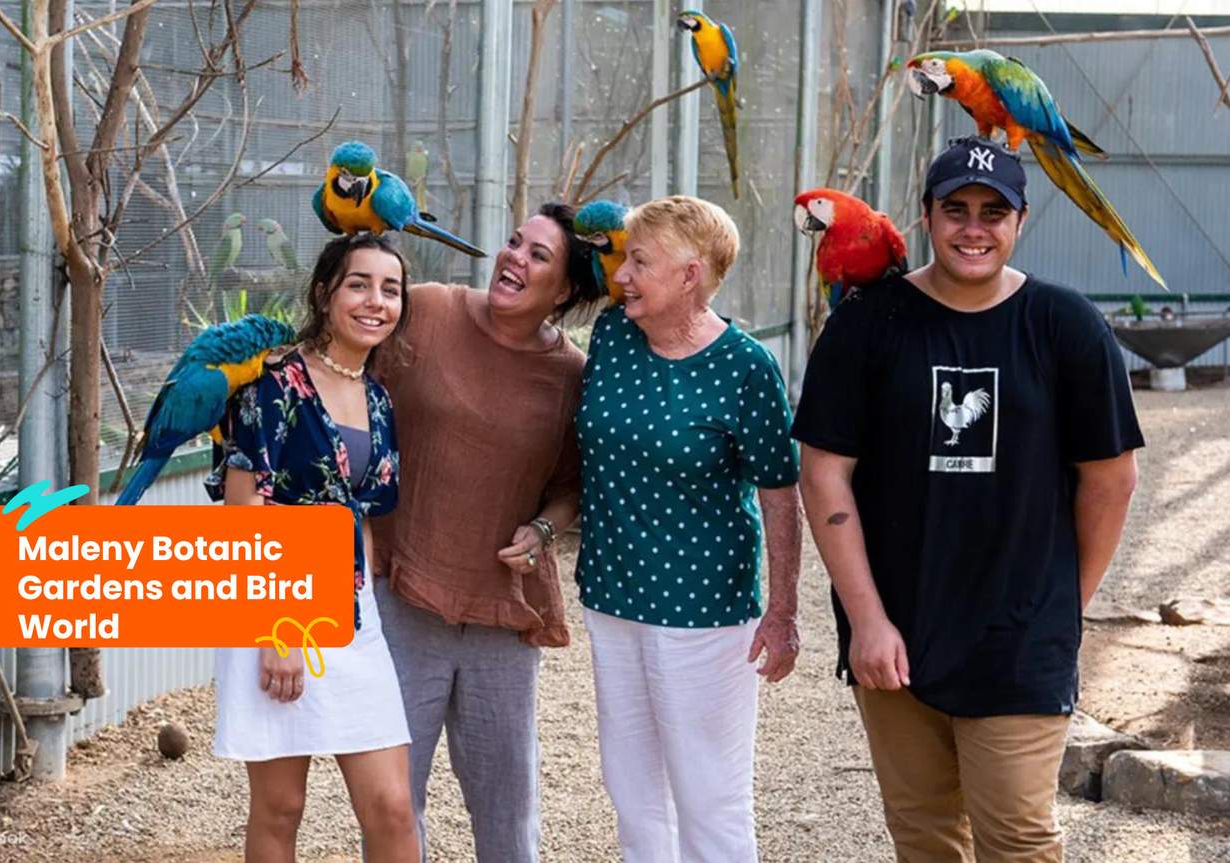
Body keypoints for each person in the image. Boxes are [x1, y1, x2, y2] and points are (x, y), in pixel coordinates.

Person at [792, 136, 1143, 862]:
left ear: (1020, 221)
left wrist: (1061, 605)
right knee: (923, 835)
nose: (973, 228)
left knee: (1016, 838)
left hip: (1019, 637)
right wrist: (867, 620)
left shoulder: (1064, 325)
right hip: (895, 630)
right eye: (955, 210)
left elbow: (1111, 479)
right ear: (926, 216)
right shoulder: (867, 322)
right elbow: (823, 471)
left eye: (993, 212)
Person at [368, 202, 605, 862]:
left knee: (507, 812)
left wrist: (542, 529)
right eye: (514, 242)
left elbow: (571, 486)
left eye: (537, 255)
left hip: (502, 610)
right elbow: (350, 389)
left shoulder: (572, 376)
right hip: (402, 595)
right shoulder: (427, 309)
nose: (513, 258)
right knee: (390, 804)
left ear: (564, 291)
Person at [575, 195, 803, 863]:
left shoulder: (745, 366)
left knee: (709, 796)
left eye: (640, 263)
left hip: (702, 609)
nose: (622, 276)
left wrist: (783, 612)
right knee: (632, 790)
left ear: (689, 275)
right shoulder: (614, 335)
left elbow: (779, 493)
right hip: (611, 598)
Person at [205, 233, 420, 863]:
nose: (376, 301)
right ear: (325, 294)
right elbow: (244, 510)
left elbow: (364, 513)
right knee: (281, 807)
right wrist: (280, 630)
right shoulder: (272, 385)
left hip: (351, 614)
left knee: (392, 807)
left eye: (390, 289)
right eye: (359, 284)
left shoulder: (378, 398)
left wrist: (364, 603)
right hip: (276, 606)